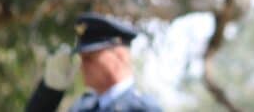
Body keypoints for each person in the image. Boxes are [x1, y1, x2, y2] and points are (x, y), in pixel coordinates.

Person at [26, 12, 161, 112]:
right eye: (81, 58)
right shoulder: (82, 107)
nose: (82, 66)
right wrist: (49, 93)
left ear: (120, 56)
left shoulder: (143, 109)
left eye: (89, 58)